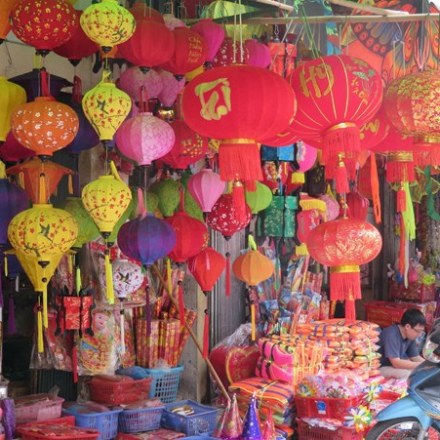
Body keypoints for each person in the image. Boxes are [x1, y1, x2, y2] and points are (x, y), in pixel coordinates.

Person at [378, 308, 426, 379]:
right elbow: (396, 363)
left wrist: (429, 364)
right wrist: (421, 365)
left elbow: (415, 357)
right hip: (380, 368)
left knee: (419, 371)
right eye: (418, 331)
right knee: (406, 374)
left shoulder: (410, 336)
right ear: (407, 326)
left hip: (393, 366)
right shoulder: (391, 334)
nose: (419, 335)